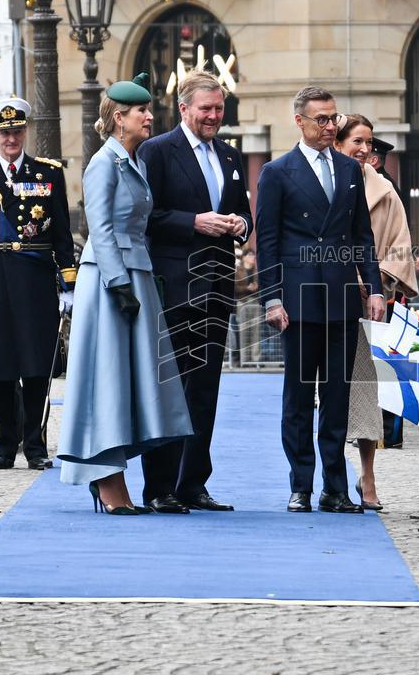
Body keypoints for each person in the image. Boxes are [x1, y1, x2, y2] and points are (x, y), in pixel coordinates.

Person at [57, 75, 193, 514]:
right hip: (111, 282)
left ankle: (114, 477)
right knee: (109, 380)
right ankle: (106, 479)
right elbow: (100, 229)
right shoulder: (103, 164)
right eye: (142, 112)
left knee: (134, 380)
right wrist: (118, 284)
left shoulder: (133, 162)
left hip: (136, 279)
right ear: (120, 118)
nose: (150, 117)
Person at [256, 86, 385, 514]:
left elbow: (362, 235)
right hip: (296, 301)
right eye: (322, 120)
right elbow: (268, 243)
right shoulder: (277, 172)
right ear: (300, 121)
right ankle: (301, 485)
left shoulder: (350, 170)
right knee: (298, 397)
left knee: (337, 397)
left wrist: (376, 288)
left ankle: (335, 486)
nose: (331, 126)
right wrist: (271, 299)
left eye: (334, 118)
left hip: (342, 298)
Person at [137, 70, 252, 514]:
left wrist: (241, 224)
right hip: (173, 287)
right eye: (205, 109)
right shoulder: (157, 151)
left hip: (218, 287)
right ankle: (159, 486)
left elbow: (242, 210)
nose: (213, 116)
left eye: (219, 108)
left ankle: (193, 484)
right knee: (170, 387)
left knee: (205, 389)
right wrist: (194, 222)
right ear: (183, 108)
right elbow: (145, 215)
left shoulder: (229, 155)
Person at [0, 97, 77, 471]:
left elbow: (61, 233)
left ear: (25, 132)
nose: (12, 138)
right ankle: (4, 444)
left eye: (17, 131)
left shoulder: (48, 174)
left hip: (35, 279)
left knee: (37, 366)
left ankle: (36, 445)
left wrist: (68, 283)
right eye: (5, 132)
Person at [334, 114, 418, 510]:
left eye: (369, 142)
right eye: (357, 141)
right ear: (338, 144)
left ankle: (367, 478)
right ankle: (329, 477)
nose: (365, 149)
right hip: (326, 296)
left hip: (370, 302)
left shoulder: (386, 191)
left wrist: (381, 282)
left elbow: (401, 245)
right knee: (327, 392)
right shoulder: (324, 184)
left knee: (367, 395)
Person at [234, 248, 262, 365]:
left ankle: (256, 360)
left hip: (255, 302)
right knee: (243, 331)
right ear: (244, 257)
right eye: (250, 255)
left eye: (253, 255)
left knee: (256, 332)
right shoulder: (238, 271)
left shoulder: (257, 271)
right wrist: (247, 288)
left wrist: (256, 287)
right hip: (242, 302)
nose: (252, 258)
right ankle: (244, 360)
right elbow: (234, 287)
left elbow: (262, 286)